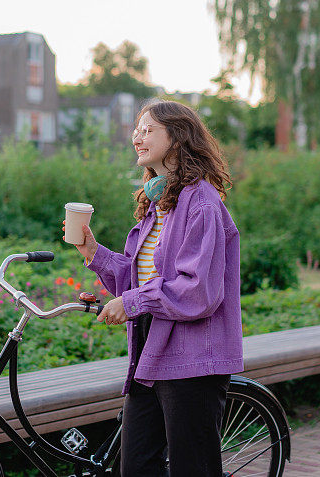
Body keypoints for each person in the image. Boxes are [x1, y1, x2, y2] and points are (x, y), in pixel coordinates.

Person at [63, 100, 243, 476]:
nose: (137, 137)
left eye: (148, 130)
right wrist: (92, 252)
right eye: (137, 130)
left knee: (192, 469)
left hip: (193, 357)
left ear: (177, 137)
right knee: (138, 467)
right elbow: (137, 276)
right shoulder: (157, 201)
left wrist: (131, 303)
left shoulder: (202, 203)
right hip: (150, 350)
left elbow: (197, 291)